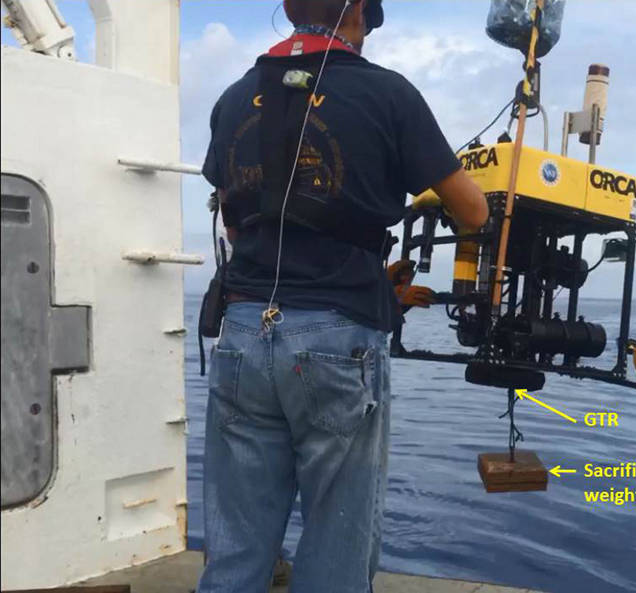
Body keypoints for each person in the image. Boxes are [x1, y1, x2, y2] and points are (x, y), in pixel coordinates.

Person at [196, 0, 488, 591]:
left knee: (235, 547)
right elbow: (474, 210)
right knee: (337, 546)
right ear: (356, 10)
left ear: (287, 8)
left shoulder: (230, 100)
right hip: (337, 341)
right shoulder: (387, 94)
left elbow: (235, 220)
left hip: (242, 334)